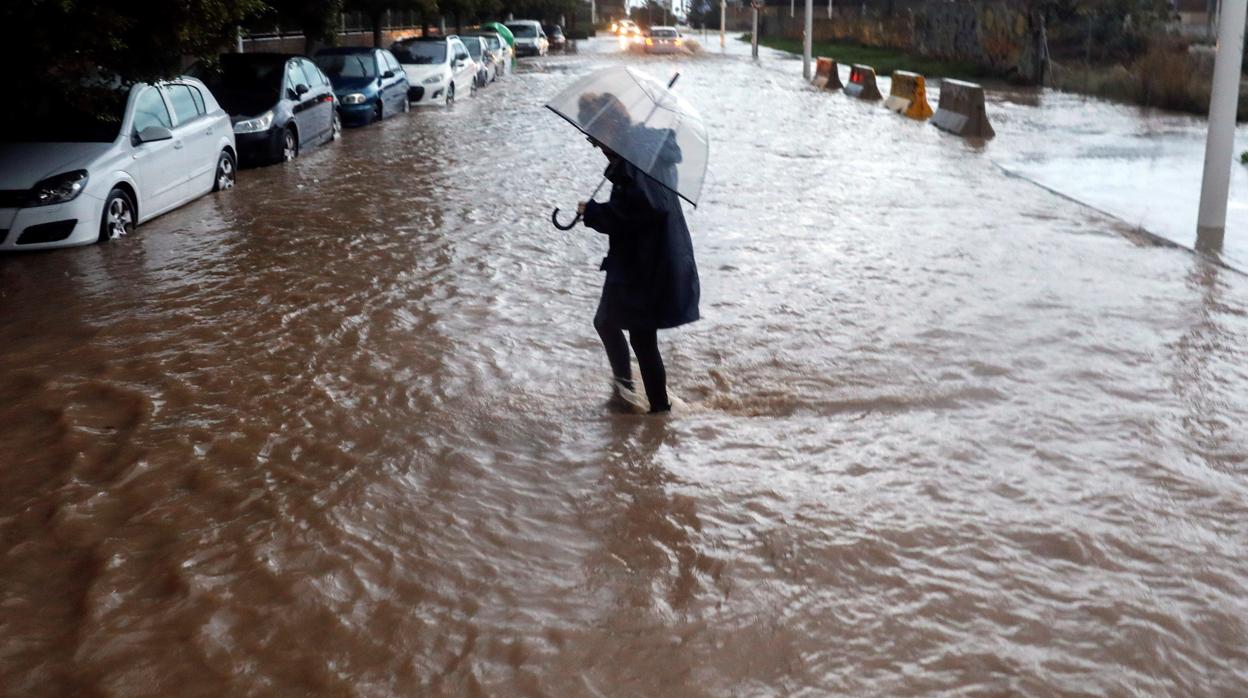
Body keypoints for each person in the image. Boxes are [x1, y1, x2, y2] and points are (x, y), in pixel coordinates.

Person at [574, 93, 700, 414]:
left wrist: (594, 213)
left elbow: (646, 207)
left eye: (594, 133)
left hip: (648, 263)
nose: (593, 143)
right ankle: (630, 398)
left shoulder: (637, 156)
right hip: (639, 260)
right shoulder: (636, 150)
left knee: (639, 337)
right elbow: (639, 205)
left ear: (610, 123)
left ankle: (655, 409)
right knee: (610, 323)